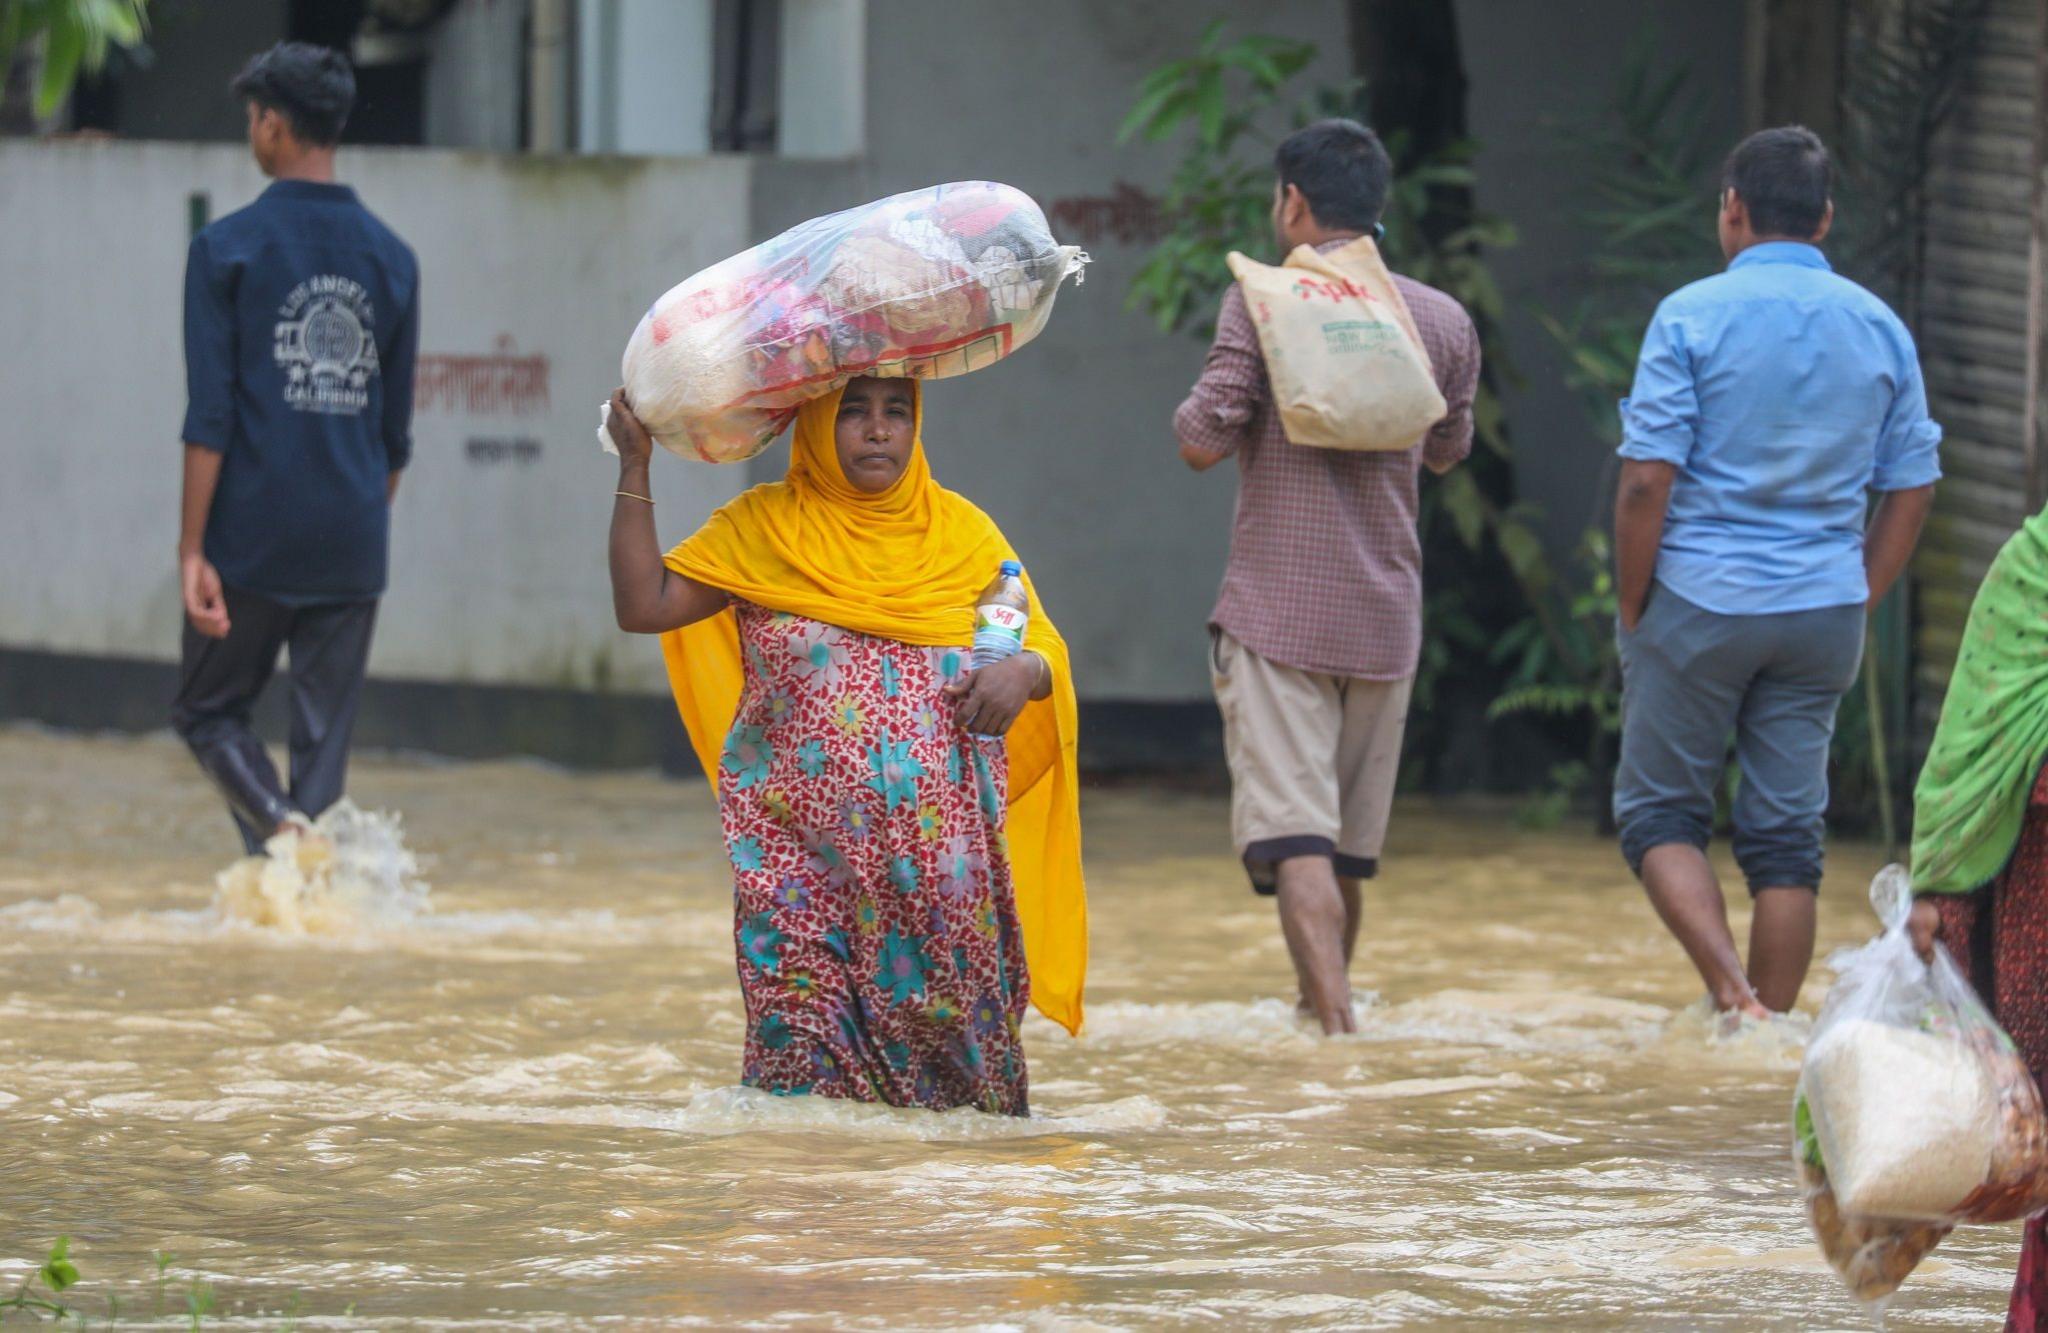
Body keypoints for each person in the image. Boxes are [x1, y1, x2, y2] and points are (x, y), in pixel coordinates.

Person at [603, 376, 1087, 1114]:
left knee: (964, 1126)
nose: (878, 430)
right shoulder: (764, 528)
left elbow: (1043, 649)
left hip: (942, 896)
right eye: (854, 411)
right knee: (802, 1103)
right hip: (802, 887)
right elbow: (645, 604)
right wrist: (634, 467)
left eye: (897, 412)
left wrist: (1024, 670)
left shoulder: (963, 536)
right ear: (817, 420)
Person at [1612, 126, 1939, 1019]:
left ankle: (1732, 997)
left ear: (1733, 211)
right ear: (1826, 217)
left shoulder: (1689, 315)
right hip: (1824, 612)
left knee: (1660, 819)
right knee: (1788, 846)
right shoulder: (1880, 326)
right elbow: (1912, 483)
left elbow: (1647, 479)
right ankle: (1769, 1036)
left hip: (1699, 599)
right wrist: (1859, 590)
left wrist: (1633, 597)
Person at [1172, 118, 1481, 1035]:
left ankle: (1337, 1036)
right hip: (1385, 621)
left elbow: (1201, 439)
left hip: (1279, 618)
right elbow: (1446, 451)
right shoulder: (1441, 319)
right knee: (1348, 851)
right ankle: (1323, 1011)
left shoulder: (1263, 302)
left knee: (1296, 835)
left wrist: (1211, 410)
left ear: (1294, 204)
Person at [172, 43, 420, 853]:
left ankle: (275, 830)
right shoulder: (393, 258)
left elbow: (211, 414)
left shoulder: (226, 248)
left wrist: (191, 548)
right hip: (353, 536)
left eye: (254, 117)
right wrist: (353, 520)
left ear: (273, 125)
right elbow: (392, 437)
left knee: (207, 711)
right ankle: (305, 889)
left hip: (251, 533)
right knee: (322, 766)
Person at [1906, 508, 2048, 1328]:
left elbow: (1973, 754)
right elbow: (1975, 757)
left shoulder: (2031, 568)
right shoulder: (2031, 574)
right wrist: (1936, 895)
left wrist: (1941, 897)